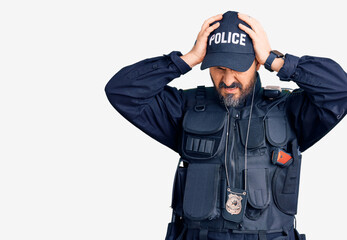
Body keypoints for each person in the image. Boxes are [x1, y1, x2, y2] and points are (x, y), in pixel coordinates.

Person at [105, 11, 347, 240]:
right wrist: (184, 60)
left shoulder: (289, 109)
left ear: (257, 62)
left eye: (238, 68)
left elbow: (339, 91)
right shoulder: (184, 107)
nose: (228, 79)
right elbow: (121, 91)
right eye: (219, 68)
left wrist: (279, 61)